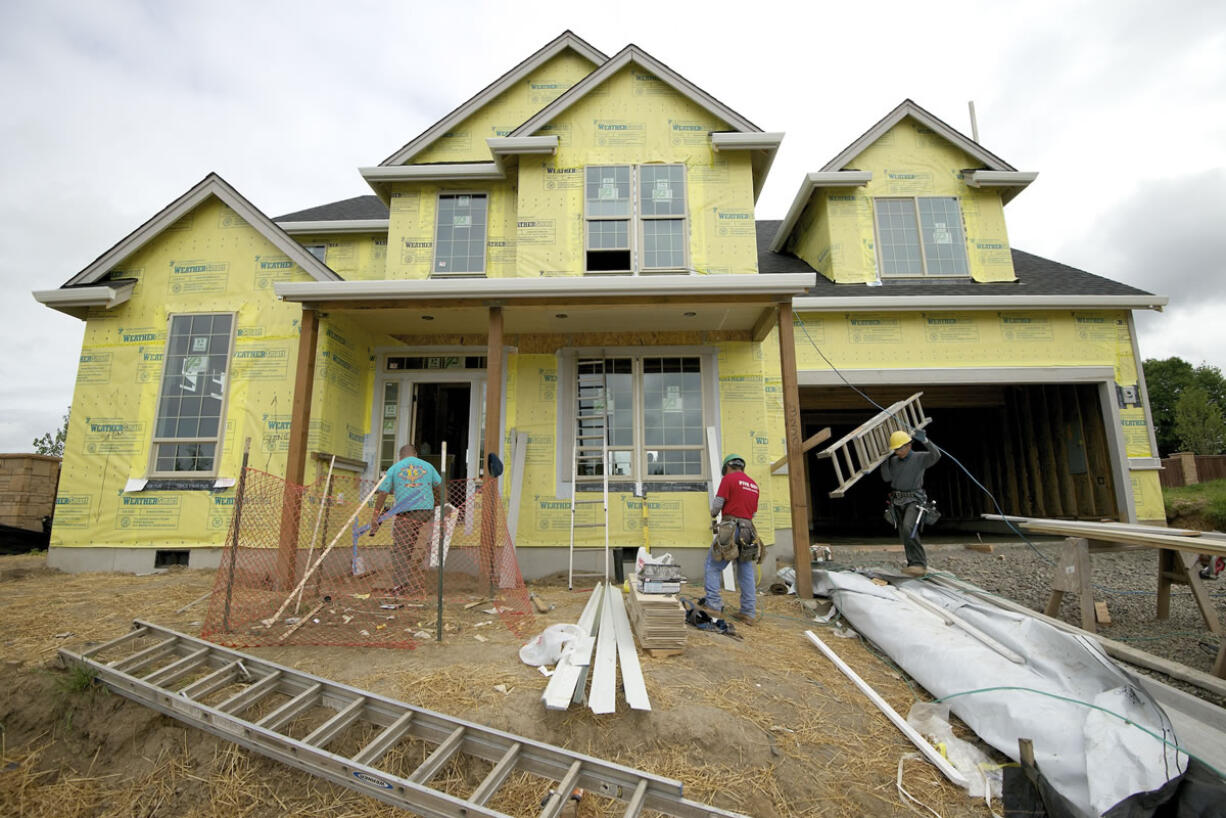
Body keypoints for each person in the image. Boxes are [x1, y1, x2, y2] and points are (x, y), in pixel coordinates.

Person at [369, 443, 443, 593]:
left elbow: (383, 492)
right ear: (415, 454)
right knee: (420, 545)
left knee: (401, 548)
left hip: (405, 513)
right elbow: (440, 486)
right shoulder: (427, 466)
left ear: (400, 456)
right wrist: (442, 506)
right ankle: (420, 582)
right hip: (426, 512)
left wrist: (375, 515)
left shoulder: (395, 468)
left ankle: (400, 585)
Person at [702, 453, 764, 625]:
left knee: (713, 565)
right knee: (746, 571)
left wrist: (713, 514)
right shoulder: (753, 485)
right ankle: (748, 612)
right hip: (748, 531)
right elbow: (753, 513)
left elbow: (717, 506)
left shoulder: (729, 479)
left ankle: (713, 605)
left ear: (727, 468)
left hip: (731, 528)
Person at [881, 428, 941, 576]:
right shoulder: (894, 461)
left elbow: (936, 455)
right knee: (904, 532)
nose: (897, 452)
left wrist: (926, 442)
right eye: (894, 449)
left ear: (909, 445)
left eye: (899, 448)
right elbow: (887, 478)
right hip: (898, 500)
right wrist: (884, 462)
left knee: (909, 527)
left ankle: (919, 564)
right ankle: (912, 563)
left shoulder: (920, 458)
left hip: (914, 499)